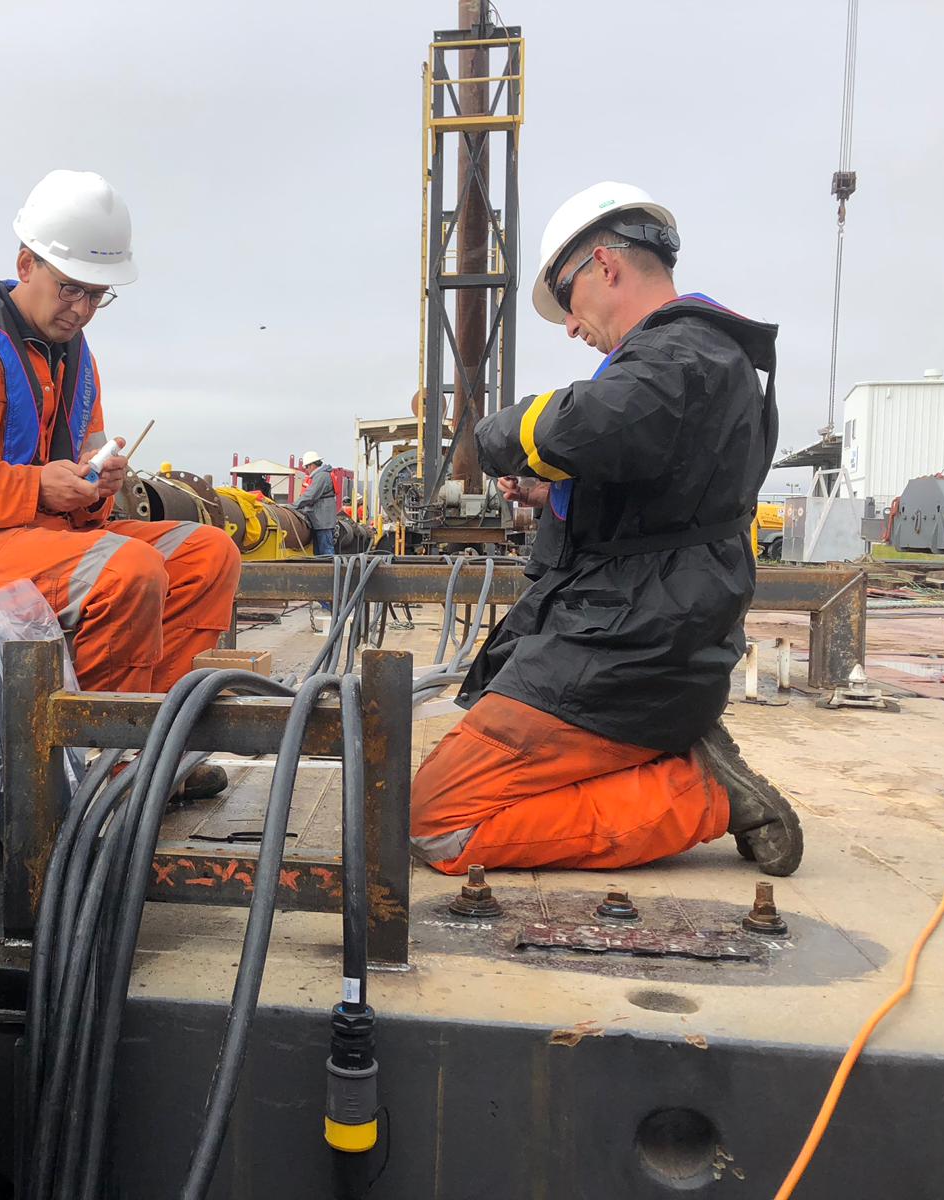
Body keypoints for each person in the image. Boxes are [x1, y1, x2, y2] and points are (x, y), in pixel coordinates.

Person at [408, 181, 802, 877]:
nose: (568, 325)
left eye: (566, 300)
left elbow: (583, 421)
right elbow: (655, 486)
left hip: (627, 643)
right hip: (625, 629)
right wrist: (552, 490)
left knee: (436, 822)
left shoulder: (686, 356)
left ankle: (697, 792)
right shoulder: (685, 363)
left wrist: (501, 433)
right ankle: (665, 752)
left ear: (605, 265)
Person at [0, 170, 241, 795]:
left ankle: (157, 750)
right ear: (25, 264)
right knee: (128, 572)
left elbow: (86, 458)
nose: (83, 309)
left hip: (43, 540)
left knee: (210, 554)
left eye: (98, 296)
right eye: (71, 289)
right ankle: (100, 766)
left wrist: (103, 480)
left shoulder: (76, 356)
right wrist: (34, 490)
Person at [296, 452, 339, 556]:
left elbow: (310, 495)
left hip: (323, 521)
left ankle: (330, 571)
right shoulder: (322, 475)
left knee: (325, 552)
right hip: (320, 520)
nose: (306, 470)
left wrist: (293, 506)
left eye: (306, 467)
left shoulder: (321, 476)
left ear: (311, 465)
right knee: (319, 553)